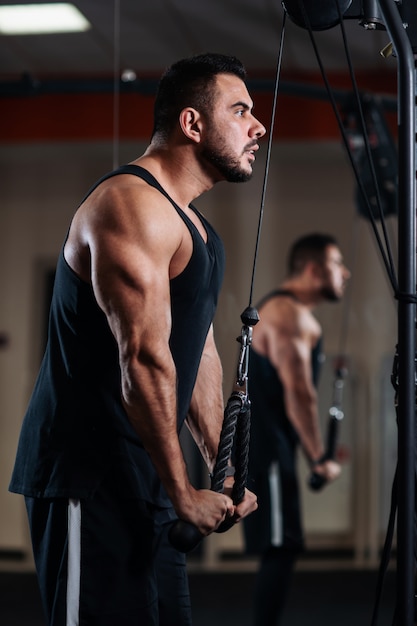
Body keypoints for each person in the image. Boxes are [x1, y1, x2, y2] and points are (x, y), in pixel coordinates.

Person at [9, 53, 266, 626]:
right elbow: (144, 360)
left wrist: (217, 466)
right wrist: (183, 493)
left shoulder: (195, 226)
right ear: (192, 123)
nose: (259, 127)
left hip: (146, 471)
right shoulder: (131, 206)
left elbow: (195, 351)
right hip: (87, 475)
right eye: (241, 111)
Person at [243, 233, 351, 626]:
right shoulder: (290, 316)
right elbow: (301, 395)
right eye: (337, 263)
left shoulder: (287, 312)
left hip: (273, 448)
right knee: (280, 547)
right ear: (311, 269)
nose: (346, 273)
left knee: (282, 546)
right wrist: (320, 459)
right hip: (268, 451)